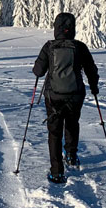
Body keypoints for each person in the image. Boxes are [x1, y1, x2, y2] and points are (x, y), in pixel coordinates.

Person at [32, 12, 99, 184]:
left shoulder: (49, 47)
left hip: (53, 96)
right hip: (75, 94)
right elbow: (91, 69)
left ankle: (57, 172)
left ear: (56, 29)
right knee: (72, 124)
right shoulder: (80, 47)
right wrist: (94, 88)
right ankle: (71, 155)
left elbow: (38, 71)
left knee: (54, 132)